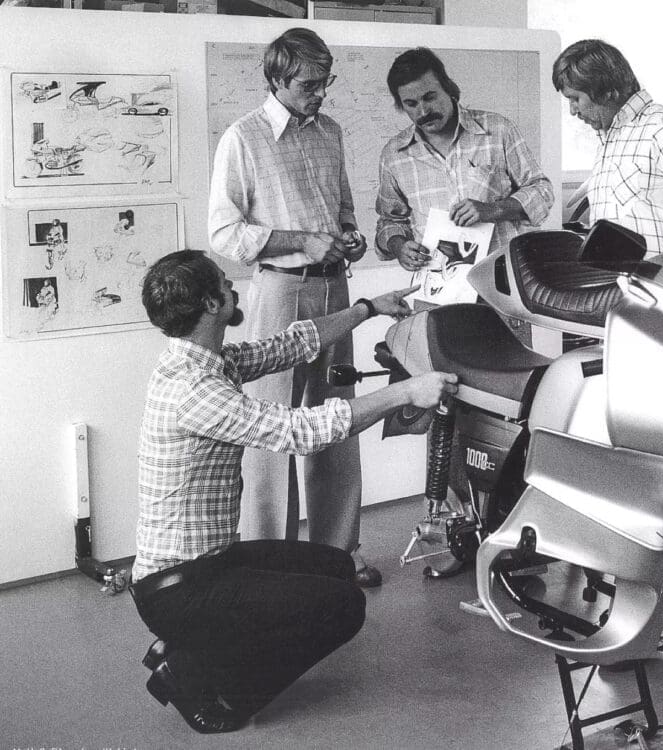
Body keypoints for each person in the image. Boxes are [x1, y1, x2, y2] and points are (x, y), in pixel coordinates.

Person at [130, 249, 457, 733]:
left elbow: (288, 345)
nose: (234, 287)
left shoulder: (204, 361)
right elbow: (301, 431)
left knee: (336, 565)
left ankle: (192, 648)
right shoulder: (195, 391)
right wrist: (405, 393)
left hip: (206, 564)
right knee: (345, 608)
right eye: (225, 283)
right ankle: (213, 687)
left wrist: (368, 307)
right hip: (182, 589)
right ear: (210, 303)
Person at [208, 28, 380, 586]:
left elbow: (344, 209)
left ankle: (338, 556)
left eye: (326, 81)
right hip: (279, 291)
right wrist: (300, 241)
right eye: (309, 83)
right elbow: (224, 233)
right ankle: (270, 564)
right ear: (277, 79)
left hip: (335, 288)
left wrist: (347, 236)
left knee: (336, 424)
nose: (321, 93)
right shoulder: (243, 138)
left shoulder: (330, 131)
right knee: (271, 425)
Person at [375, 46, 554, 277]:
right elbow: (389, 220)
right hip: (438, 289)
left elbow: (543, 191)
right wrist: (399, 246)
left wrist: (493, 209)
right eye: (411, 104)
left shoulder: (498, 129)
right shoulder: (394, 155)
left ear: (448, 89)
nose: (423, 111)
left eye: (430, 97)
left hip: (503, 280)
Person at [551, 39, 663, 259]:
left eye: (575, 99)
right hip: (622, 285)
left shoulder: (662, 125)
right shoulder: (611, 138)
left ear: (605, 91)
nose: (573, 111)